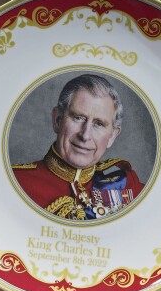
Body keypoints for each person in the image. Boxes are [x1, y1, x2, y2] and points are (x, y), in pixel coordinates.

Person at [13, 74, 145, 220]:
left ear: (112, 136)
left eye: (99, 124)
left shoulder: (126, 185)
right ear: (57, 120)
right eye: (78, 118)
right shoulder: (16, 182)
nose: (85, 135)